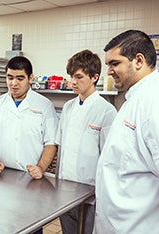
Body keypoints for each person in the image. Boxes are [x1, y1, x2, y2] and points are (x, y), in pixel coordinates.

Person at [94, 29, 159, 233]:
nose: (109, 71)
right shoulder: (136, 97)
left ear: (138, 60)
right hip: (120, 223)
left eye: (114, 63)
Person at [55, 50, 117, 234]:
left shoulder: (106, 111)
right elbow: (62, 149)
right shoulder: (68, 107)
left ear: (94, 77)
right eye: (71, 76)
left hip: (91, 193)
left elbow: (108, 159)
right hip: (65, 188)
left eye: (78, 76)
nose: (72, 82)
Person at [0, 56, 58, 180]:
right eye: (10, 78)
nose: (14, 83)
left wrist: (40, 168)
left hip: (31, 176)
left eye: (20, 78)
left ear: (30, 78)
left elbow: (51, 143)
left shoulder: (44, 105)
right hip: (2, 174)